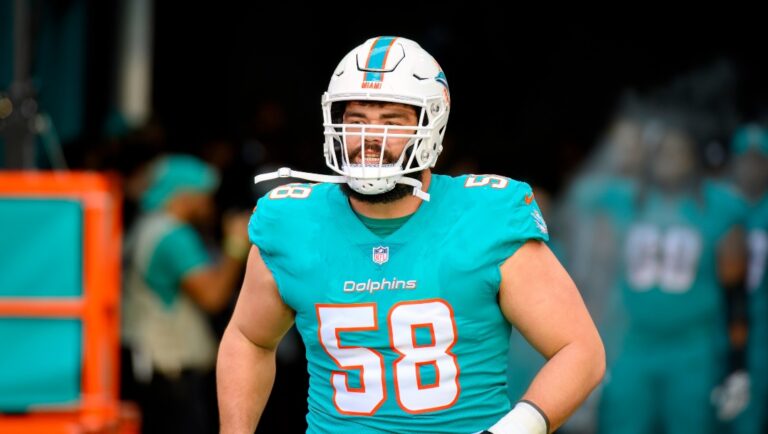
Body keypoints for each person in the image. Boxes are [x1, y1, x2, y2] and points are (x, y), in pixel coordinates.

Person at [217, 36, 605, 434]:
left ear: (431, 124)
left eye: (392, 120)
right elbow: (249, 338)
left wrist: (514, 429)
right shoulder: (291, 220)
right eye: (356, 120)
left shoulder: (484, 216)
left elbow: (579, 349)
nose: (370, 138)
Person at [596, 118, 749, 434]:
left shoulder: (719, 206)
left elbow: (737, 293)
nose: (671, 158)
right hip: (630, 345)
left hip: (693, 348)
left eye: (680, 150)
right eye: (664, 151)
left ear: (695, 156)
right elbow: (597, 278)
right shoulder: (623, 200)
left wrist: (737, 365)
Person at [121, 154, 250, 434]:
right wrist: (237, 245)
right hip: (171, 369)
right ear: (185, 195)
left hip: (148, 362)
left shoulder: (145, 225)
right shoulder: (174, 237)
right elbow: (213, 296)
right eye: (204, 195)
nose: (209, 203)